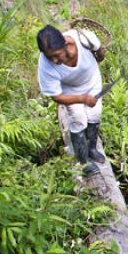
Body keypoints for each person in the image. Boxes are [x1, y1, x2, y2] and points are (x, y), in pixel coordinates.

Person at [37, 24, 106, 175]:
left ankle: (92, 149)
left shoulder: (84, 39)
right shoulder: (45, 65)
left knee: (95, 114)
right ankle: (83, 161)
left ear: (66, 44)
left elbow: (100, 53)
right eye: (50, 57)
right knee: (78, 120)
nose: (54, 60)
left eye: (57, 54)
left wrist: (96, 61)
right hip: (70, 90)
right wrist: (82, 98)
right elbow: (57, 96)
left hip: (92, 81)